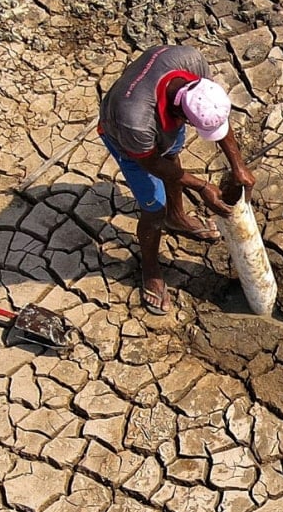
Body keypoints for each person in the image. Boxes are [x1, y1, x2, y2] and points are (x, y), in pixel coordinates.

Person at [98, 45, 255, 314]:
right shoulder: (134, 121)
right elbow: (151, 163)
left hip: (155, 122)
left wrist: (238, 166)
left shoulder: (191, 62)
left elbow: (209, 121)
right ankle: (150, 268)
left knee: (172, 155)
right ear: (181, 114)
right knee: (153, 208)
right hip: (124, 139)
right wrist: (203, 187)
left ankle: (177, 217)